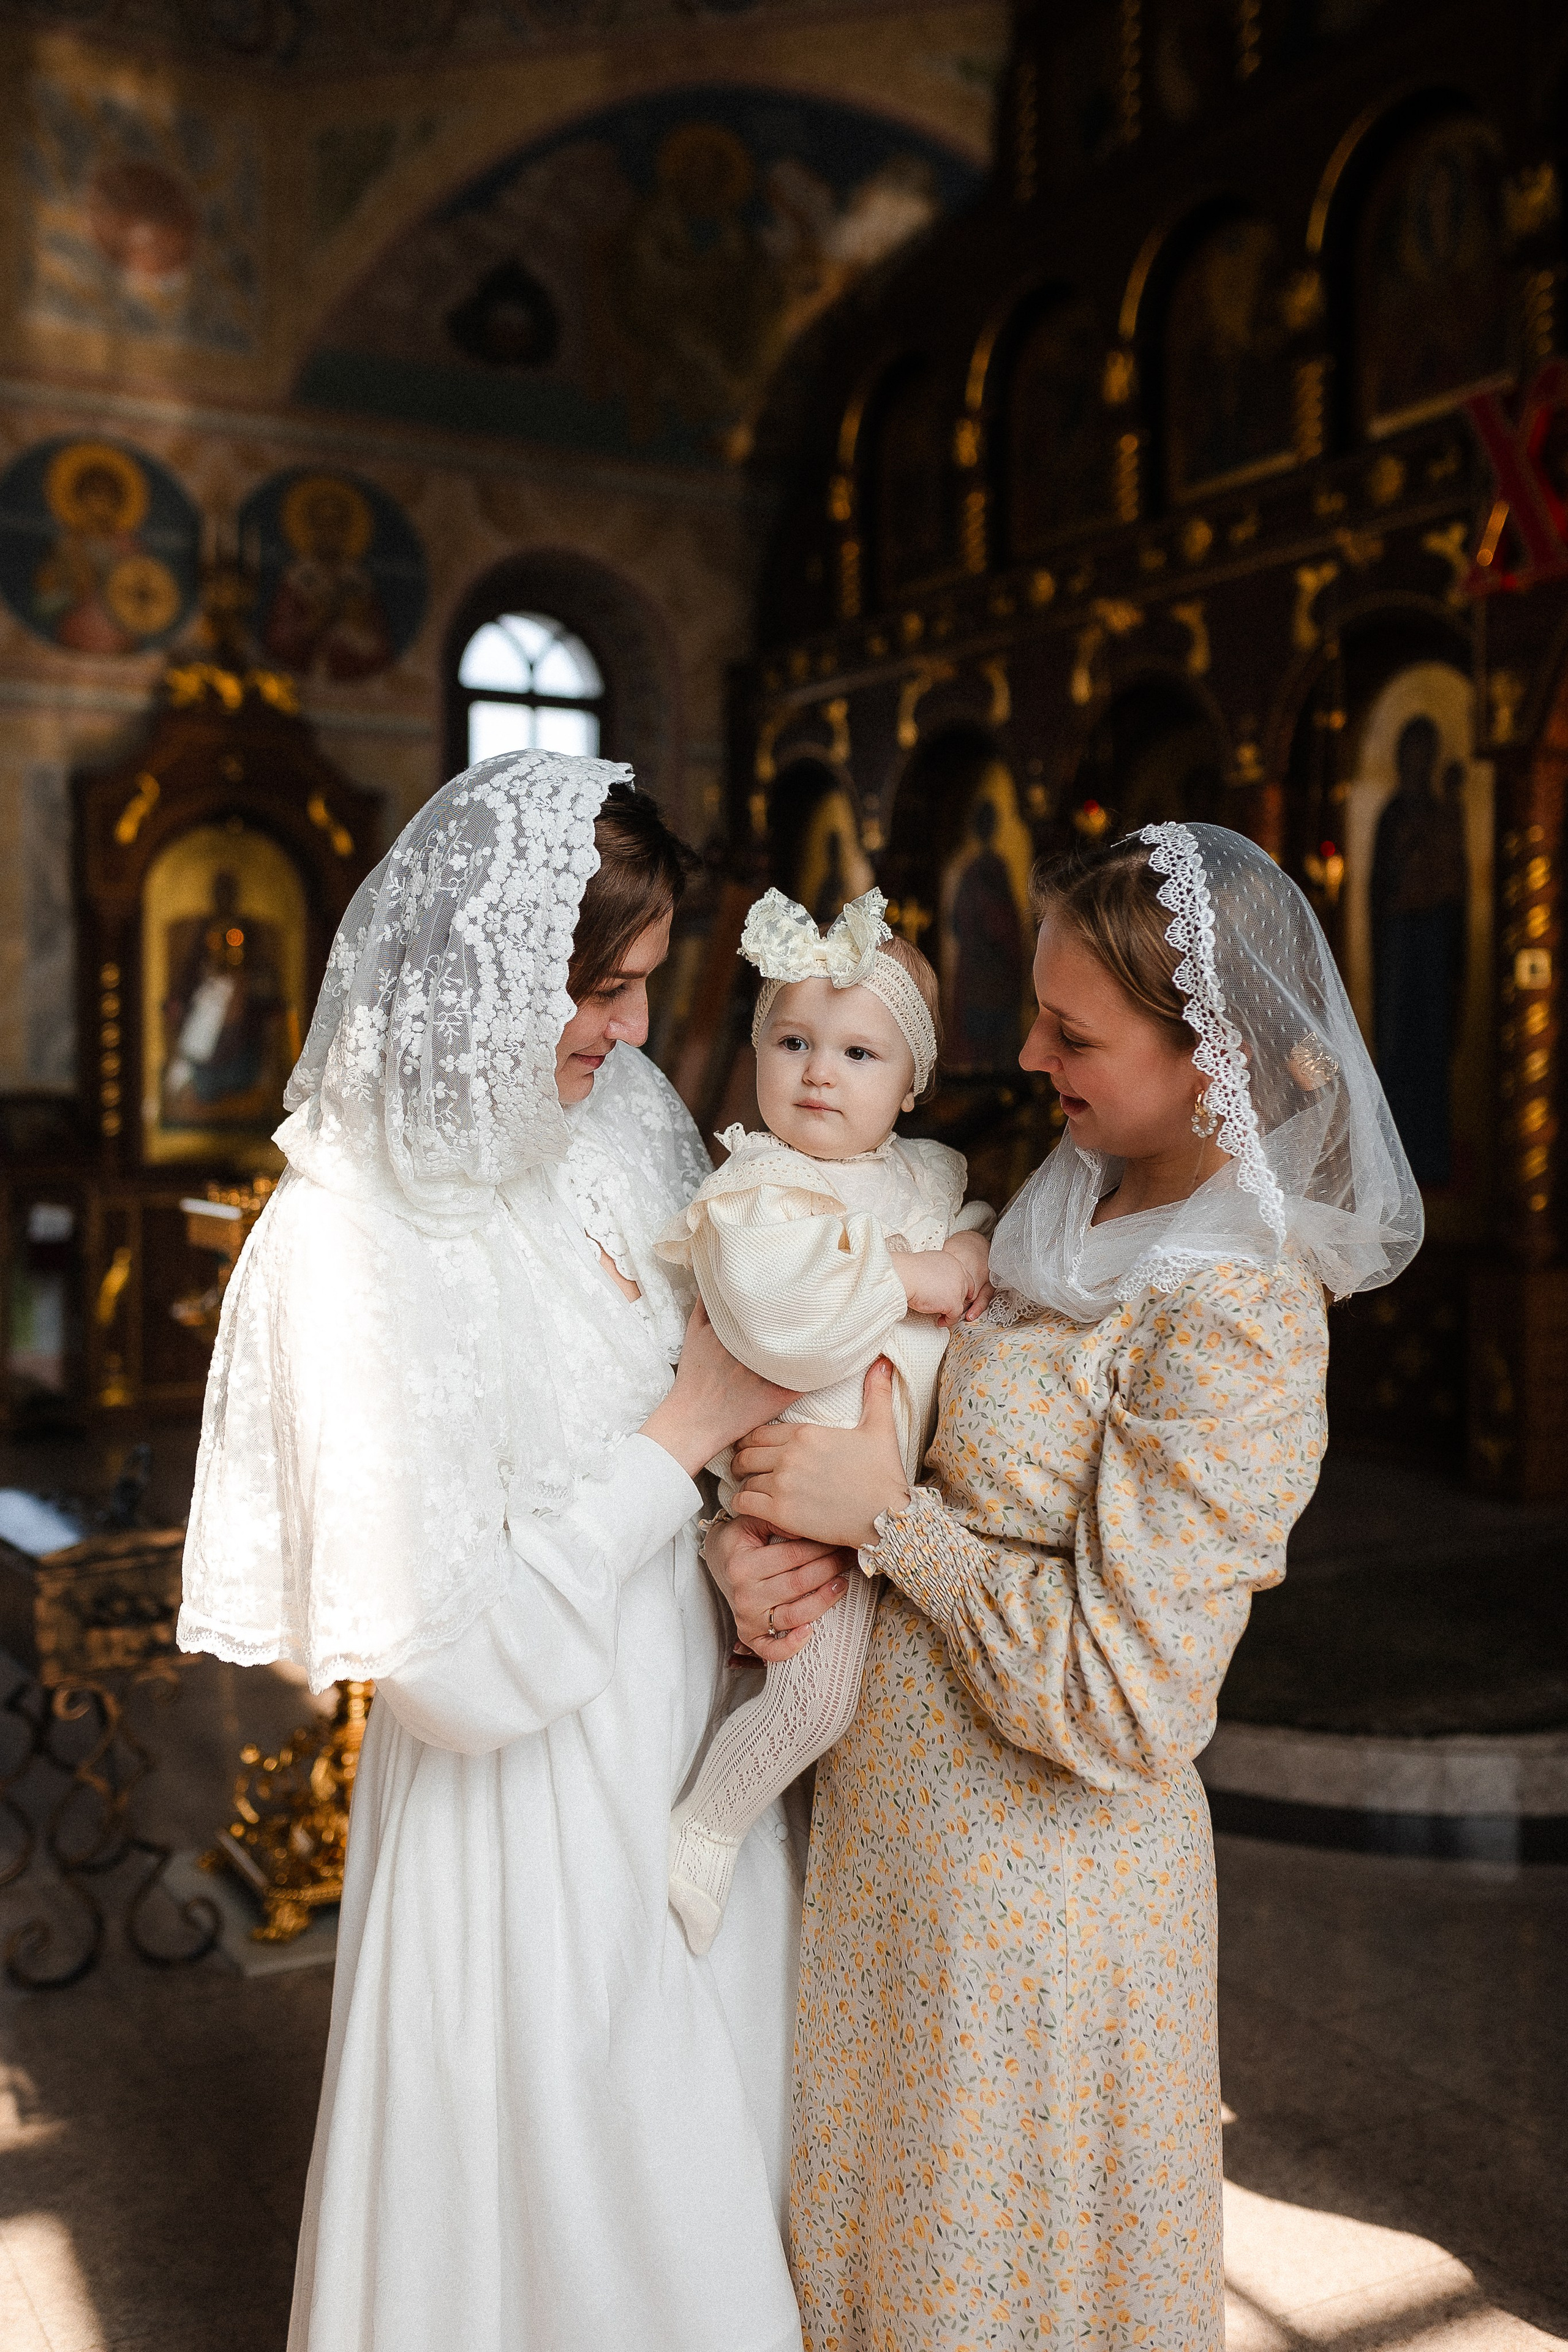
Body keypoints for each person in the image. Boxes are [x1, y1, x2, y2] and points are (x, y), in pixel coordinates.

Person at [708, 820, 1423, 2350]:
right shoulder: (1067, 1196)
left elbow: (1127, 1699)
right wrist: (766, 1524)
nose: (1024, 1051)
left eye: (1071, 1031)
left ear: (1208, 1052)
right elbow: (879, 1399)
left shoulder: (1236, 1310)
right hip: (893, 1860)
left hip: (1039, 1906)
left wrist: (888, 1526)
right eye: (1033, 1009)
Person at [178, 752, 809, 2352]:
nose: (632, 1031)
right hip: (518, 1833)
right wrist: (678, 1446)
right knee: (593, 2253)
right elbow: (449, 1665)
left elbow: (713, 1377)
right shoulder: (343, 1244)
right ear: (486, 969)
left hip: (687, 1772)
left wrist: (735, 1538)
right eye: (598, 991)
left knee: (716, 2187)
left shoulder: (625, 1122)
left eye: (647, 986)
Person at [657, 886, 993, 1953]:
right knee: (815, 1705)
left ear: (910, 1087)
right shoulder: (757, 1190)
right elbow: (779, 1316)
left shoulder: (929, 1180)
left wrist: (968, 1254)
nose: (817, 1072)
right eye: (794, 1041)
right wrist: (920, 1275)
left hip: (895, 1506)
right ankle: (701, 1835)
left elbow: (982, 1240)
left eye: (859, 1055)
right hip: (795, 1508)